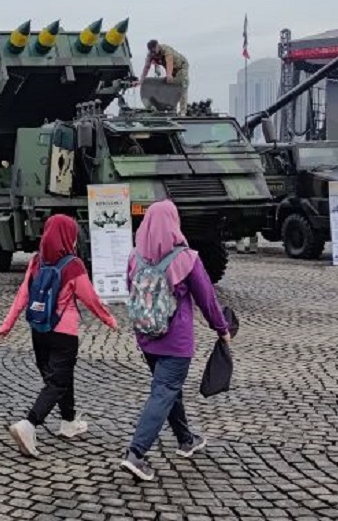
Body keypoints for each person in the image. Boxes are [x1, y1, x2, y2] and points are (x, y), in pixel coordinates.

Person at [119, 200, 232, 481]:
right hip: (175, 342)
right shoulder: (187, 259)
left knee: (169, 389)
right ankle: (136, 453)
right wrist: (222, 328)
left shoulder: (135, 257)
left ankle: (186, 439)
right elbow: (207, 299)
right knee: (164, 390)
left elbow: (129, 290)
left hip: (146, 336)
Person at [0, 214, 119, 457]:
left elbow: (23, 295)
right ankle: (29, 424)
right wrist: (109, 319)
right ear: (69, 236)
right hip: (64, 334)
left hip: (39, 331)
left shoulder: (37, 260)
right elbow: (89, 298)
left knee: (60, 377)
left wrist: (6, 325)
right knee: (57, 382)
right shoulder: (73, 265)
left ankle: (69, 423)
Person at [141, 40, 190, 114]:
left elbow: (169, 61)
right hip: (172, 70)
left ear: (158, 46)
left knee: (182, 87)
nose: (153, 53)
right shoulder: (151, 54)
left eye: (154, 51)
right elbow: (146, 67)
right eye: (151, 52)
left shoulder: (166, 50)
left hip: (181, 67)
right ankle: (173, 111)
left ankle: (183, 112)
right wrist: (142, 79)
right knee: (172, 89)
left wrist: (169, 75)